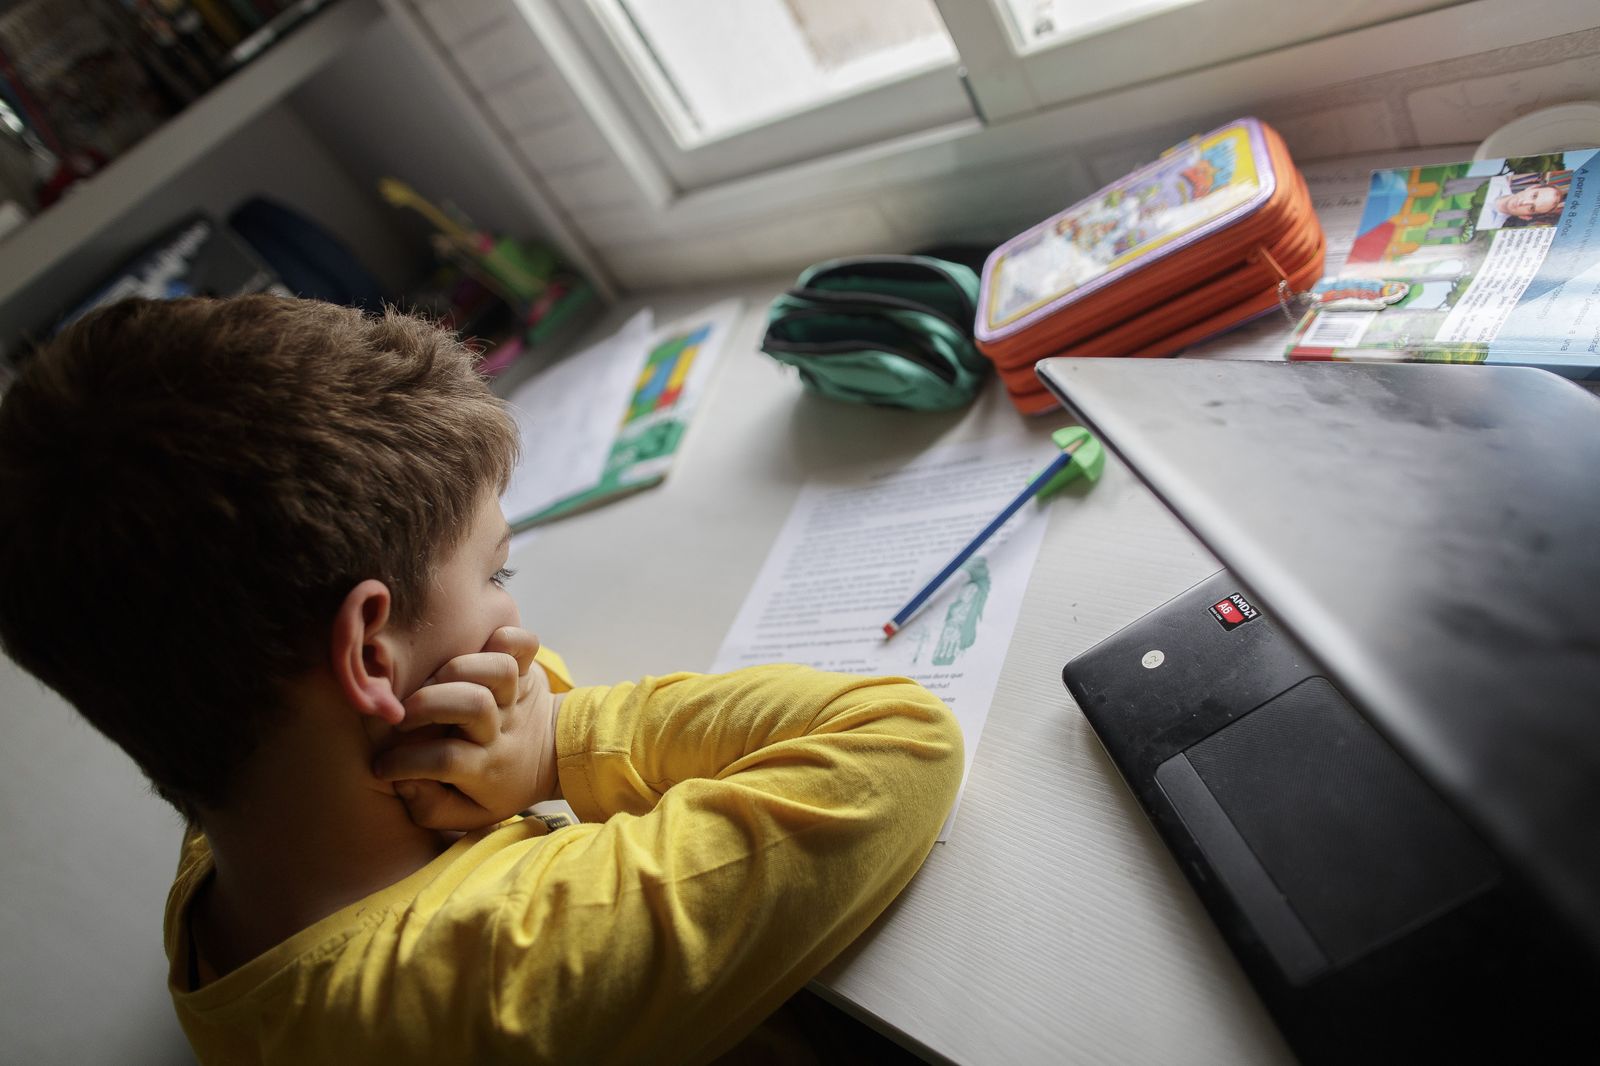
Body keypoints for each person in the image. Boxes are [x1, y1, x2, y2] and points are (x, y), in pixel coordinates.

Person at [0, 296, 964, 1064]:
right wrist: (552, 749)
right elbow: (899, 744)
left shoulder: (235, 822)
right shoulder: (504, 969)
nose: (516, 621)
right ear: (372, 657)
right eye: (496, 572)